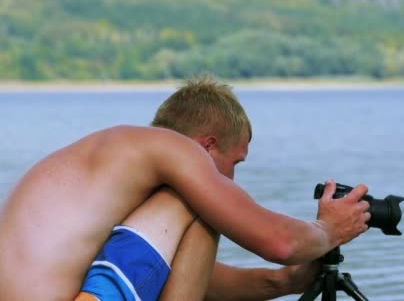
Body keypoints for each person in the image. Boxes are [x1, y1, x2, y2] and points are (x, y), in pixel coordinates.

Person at [0, 77, 371, 300]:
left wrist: (285, 282)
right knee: (201, 202)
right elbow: (281, 243)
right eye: (235, 163)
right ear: (207, 145)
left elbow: (190, 281)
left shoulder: (113, 165)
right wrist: (328, 229)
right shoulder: (177, 152)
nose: (232, 180)